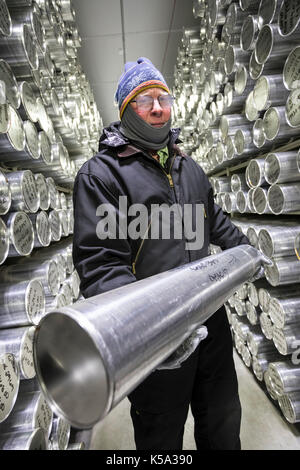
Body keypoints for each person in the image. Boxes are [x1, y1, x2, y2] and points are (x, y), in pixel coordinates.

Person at [72, 57, 267, 450]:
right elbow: (101, 268)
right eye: (145, 100)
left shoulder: (188, 168)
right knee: (161, 438)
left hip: (210, 321)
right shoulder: (103, 176)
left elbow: (216, 222)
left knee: (223, 422)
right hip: (158, 342)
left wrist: (246, 250)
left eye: (163, 97)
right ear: (127, 110)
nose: (158, 107)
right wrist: (152, 332)